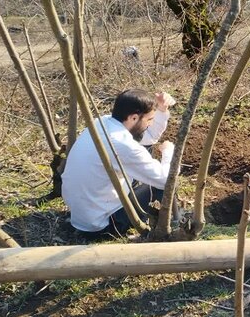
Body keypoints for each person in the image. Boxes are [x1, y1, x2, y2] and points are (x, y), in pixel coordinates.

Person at [62, 89, 178, 238]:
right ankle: (176, 221)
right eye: (149, 120)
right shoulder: (122, 145)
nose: (150, 125)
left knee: (145, 150)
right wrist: (169, 153)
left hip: (82, 214)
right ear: (134, 118)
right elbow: (167, 180)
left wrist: (162, 110)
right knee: (166, 185)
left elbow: (148, 138)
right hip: (102, 225)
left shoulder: (101, 123)